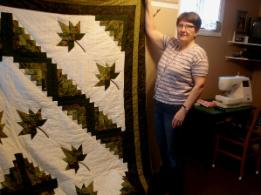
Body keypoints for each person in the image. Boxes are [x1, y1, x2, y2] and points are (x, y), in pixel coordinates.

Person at [145, 0, 209, 194]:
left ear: (196, 31)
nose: (183, 29)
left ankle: (176, 189)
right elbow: (151, 31)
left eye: (189, 26)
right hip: (159, 105)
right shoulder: (171, 44)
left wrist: (183, 110)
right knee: (163, 149)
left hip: (175, 109)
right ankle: (166, 183)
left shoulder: (198, 54)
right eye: (180, 25)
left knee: (174, 154)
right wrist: (147, 4)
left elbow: (200, 85)